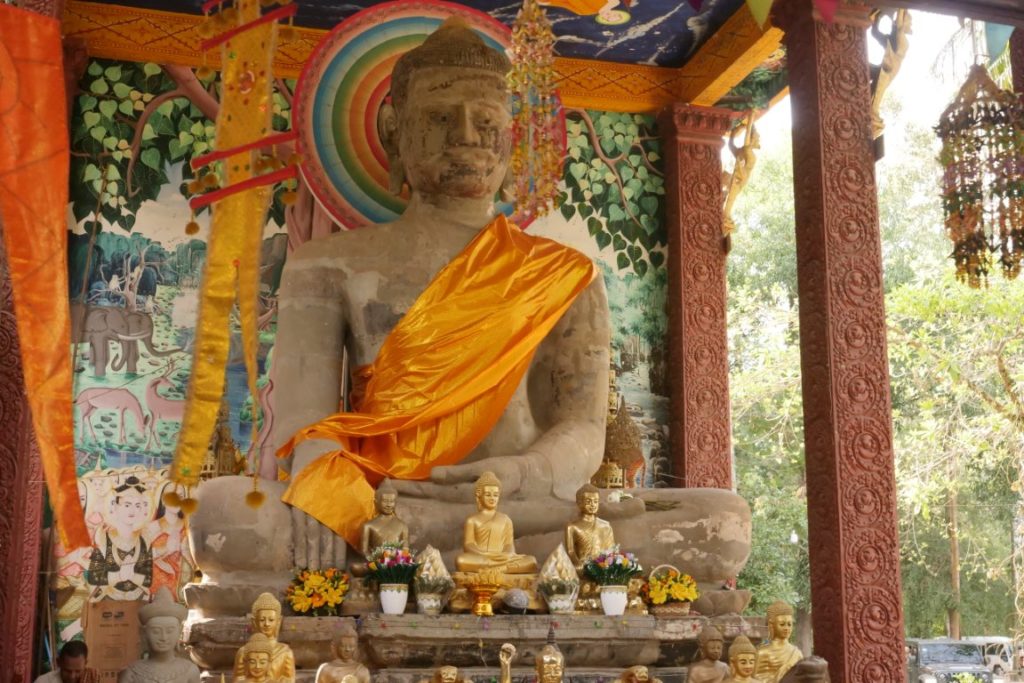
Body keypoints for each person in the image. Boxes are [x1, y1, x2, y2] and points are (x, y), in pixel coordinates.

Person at [271, 17, 609, 570]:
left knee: (719, 520)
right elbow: (303, 424)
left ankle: (420, 555)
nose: (466, 135)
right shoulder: (325, 265)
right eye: (438, 117)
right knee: (225, 516)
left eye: (486, 120)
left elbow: (583, 428)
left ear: (512, 139)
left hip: (518, 507)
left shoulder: (563, 273)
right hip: (385, 500)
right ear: (394, 133)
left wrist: (522, 474)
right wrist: (322, 483)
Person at [455, 471, 537, 574]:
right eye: (488, 495)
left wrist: (508, 554)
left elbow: (508, 544)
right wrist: (484, 554)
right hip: (482, 558)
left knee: (531, 561)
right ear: (479, 496)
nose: (492, 498)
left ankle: (497, 569)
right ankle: (502, 569)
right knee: (461, 560)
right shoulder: (472, 520)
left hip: (502, 559)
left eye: (495, 495)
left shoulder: (505, 519)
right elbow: (468, 544)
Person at [86, 476, 153, 600]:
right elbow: (93, 577)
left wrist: (132, 576)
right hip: (108, 599)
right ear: (115, 506)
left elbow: (148, 579)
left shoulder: (144, 539)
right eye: (127, 505)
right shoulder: (103, 538)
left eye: (137, 505)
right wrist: (119, 576)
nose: (132, 510)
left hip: (138, 599)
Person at [119, 587, 200, 683]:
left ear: (179, 632)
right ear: (144, 633)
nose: (163, 637)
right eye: (156, 631)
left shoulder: (190, 671)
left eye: (169, 631)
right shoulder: (131, 673)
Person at [755, 601, 802, 683]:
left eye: (789, 624)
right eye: (782, 624)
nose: (786, 628)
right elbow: (753, 678)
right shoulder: (762, 652)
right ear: (771, 625)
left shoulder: (797, 653)